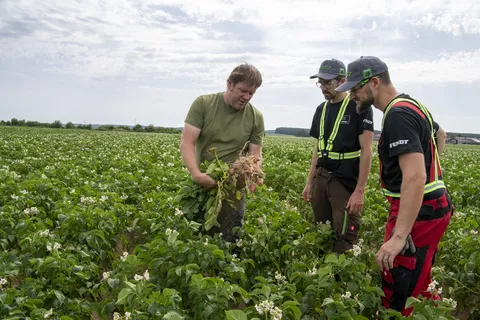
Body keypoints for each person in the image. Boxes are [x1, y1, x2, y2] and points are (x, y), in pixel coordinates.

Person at [335, 56, 453, 316]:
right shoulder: (412, 104)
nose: (352, 95)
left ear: (374, 83)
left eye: (355, 89)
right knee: (421, 279)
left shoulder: (397, 115)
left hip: (418, 211)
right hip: (434, 206)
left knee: (399, 287)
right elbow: (440, 134)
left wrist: (399, 237)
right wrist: (428, 168)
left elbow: (414, 178)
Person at [180, 62, 265, 243]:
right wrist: (196, 174)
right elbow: (187, 141)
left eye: (251, 93)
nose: (247, 97)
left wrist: (254, 173)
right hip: (202, 177)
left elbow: (255, 154)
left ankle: (225, 266)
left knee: (230, 234)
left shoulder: (256, 117)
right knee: (193, 230)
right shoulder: (204, 104)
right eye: (243, 90)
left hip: (233, 184)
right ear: (229, 84)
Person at [303, 58, 374, 254]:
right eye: (321, 83)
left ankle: (341, 276)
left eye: (328, 82)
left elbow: (367, 150)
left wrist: (360, 190)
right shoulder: (321, 109)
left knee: (345, 231)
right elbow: (318, 148)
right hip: (321, 177)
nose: (323, 87)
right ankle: (323, 271)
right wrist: (310, 181)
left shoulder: (358, 106)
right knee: (322, 228)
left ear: (342, 80)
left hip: (344, 180)